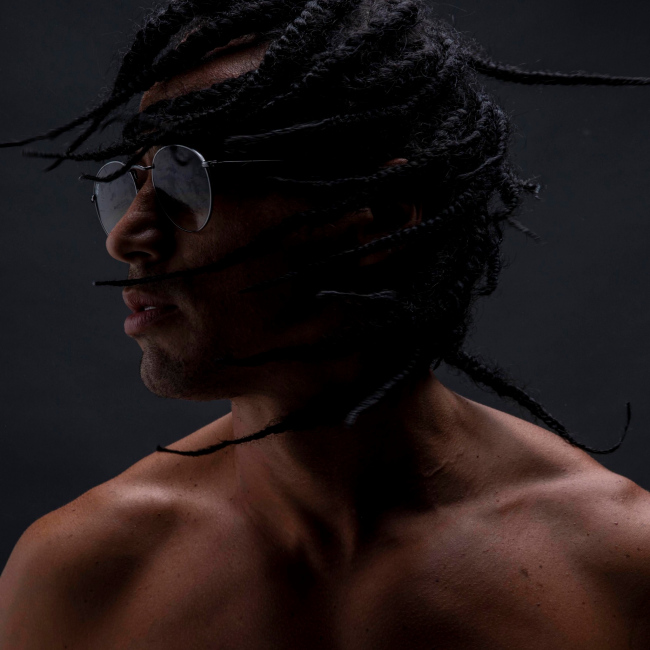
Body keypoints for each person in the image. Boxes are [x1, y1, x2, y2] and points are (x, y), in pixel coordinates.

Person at [1, 1, 650, 647]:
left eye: (185, 178)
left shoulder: (618, 566)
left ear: (378, 214)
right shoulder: (85, 573)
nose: (125, 236)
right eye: (130, 182)